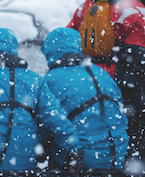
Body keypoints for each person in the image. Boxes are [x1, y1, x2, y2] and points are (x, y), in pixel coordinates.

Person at [67, 0, 145, 153]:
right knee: (136, 142)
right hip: (124, 91)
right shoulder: (135, 10)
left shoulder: (88, 4)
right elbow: (144, 60)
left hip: (88, 86)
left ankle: (96, 173)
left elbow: (66, 40)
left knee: (96, 136)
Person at [0, 26, 77, 170]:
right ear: (14, 49)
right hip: (24, 164)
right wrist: (73, 151)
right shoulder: (34, 79)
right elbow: (55, 118)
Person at [41, 27, 130, 169]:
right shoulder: (103, 74)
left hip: (81, 162)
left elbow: (43, 127)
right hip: (117, 156)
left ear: (49, 51)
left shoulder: (50, 80)